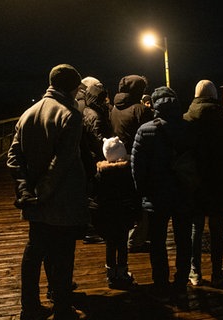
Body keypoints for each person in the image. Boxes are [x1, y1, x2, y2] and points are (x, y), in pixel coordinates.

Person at [7, 64, 88, 319]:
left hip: (34, 201)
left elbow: (13, 157)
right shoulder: (70, 116)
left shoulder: (28, 114)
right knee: (63, 255)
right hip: (60, 200)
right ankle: (62, 308)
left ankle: (29, 308)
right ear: (71, 87)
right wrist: (43, 193)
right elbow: (62, 163)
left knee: (34, 253)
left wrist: (24, 189)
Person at [131, 86, 196, 302]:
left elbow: (137, 167)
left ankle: (161, 282)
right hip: (184, 193)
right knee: (183, 239)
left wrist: (142, 193)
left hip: (156, 195)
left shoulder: (145, 130)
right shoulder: (188, 127)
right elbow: (198, 160)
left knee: (157, 241)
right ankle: (181, 281)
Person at [184, 80, 223, 287]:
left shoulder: (187, 119)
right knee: (217, 230)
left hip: (195, 184)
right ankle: (217, 272)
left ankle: (194, 272)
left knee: (195, 229)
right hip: (218, 184)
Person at [109, 75, 154, 253]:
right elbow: (150, 137)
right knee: (143, 202)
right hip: (137, 161)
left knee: (125, 203)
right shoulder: (140, 110)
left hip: (118, 160)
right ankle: (136, 240)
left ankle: (126, 238)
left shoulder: (114, 109)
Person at [92, 136, 139, 290]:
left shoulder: (101, 174)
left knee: (110, 243)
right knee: (122, 243)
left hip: (107, 214)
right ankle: (123, 271)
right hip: (124, 213)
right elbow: (133, 193)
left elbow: (96, 194)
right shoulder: (126, 173)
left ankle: (111, 273)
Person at [81, 81, 112, 245]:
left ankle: (91, 228)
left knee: (91, 194)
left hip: (91, 158)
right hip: (96, 159)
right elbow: (98, 139)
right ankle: (92, 231)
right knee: (95, 195)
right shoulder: (95, 115)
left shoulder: (87, 111)